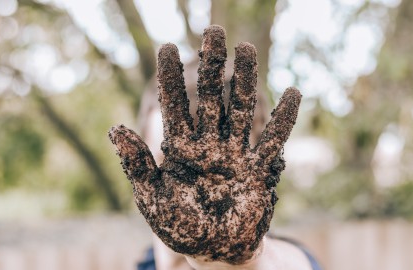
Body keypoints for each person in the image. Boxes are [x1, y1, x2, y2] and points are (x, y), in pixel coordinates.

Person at [109, 25, 323, 270]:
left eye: (226, 172)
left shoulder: (290, 261)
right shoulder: (142, 265)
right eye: (167, 162)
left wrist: (243, 259)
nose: (197, 196)